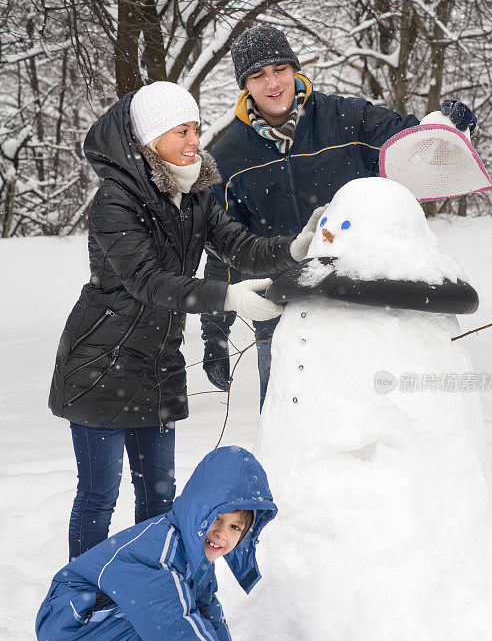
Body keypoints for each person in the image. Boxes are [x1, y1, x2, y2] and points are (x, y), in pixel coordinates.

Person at [48, 80, 318, 560]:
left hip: (158, 362)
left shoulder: (193, 193)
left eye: (195, 128)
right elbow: (147, 281)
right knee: (98, 497)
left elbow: (239, 245)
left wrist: (294, 247)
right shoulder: (116, 201)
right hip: (100, 364)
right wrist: (227, 298)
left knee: (158, 498)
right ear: (150, 139)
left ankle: (151, 588)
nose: (195, 140)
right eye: (182, 131)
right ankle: (83, 599)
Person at [200, 25, 477, 409]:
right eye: (258, 75)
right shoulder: (228, 158)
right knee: (288, 432)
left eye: (280, 69)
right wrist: (215, 332)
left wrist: (446, 127)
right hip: (280, 317)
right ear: (245, 85)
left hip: (359, 301)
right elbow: (224, 250)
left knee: (363, 423)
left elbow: (409, 141)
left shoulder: (345, 118)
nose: (273, 82)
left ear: (295, 70)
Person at [35, 446, 274, 641]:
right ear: (198, 510)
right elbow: (180, 635)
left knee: (188, 638)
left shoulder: (196, 559)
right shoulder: (161, 554)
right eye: (217, 519)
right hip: (70, 620)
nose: (222, 534)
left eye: (235, 527)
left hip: (101, 619)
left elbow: (211, 632)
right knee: (161, 638)